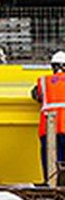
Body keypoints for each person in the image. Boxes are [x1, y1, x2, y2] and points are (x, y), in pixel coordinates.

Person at [34, 51, 65, 179]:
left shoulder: (44, 82)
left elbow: (35, 94)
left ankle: (52, 189)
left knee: (50, 168)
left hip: (48, 131)